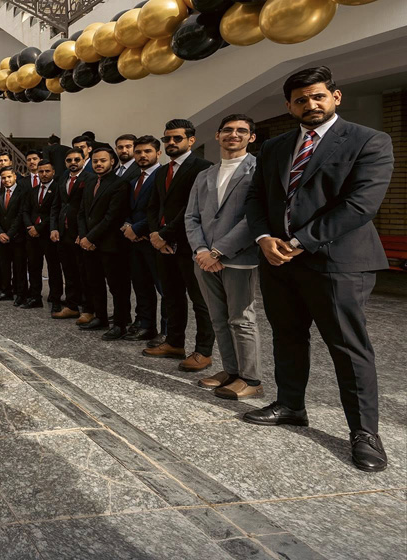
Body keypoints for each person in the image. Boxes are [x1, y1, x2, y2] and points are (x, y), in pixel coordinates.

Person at [242, 66, 394, 473]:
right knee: (288, 337)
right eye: (301, 100)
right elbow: (255, 198)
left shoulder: (368, 140)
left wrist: (298, 242)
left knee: (348, 347)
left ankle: (364, 433)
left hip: (337, 263)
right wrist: (264, 238)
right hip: (278, 262)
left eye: (318, 96)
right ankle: (291, 405)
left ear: (335, 97)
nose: (310, 104)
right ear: (289, 106)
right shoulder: (275, 147)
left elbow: (360, 205)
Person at [185, 114, 263, 400]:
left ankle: (251, 379)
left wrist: (219, 251)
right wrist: (201, 251)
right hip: (204, 259)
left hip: (238, 258)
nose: (234, 134)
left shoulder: (259, 170)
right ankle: (231, 372)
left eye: (242, 130)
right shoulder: (205, 174)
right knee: (218, 318)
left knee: (241, 319)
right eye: (227, 130)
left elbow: (254, 216)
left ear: (251, 137)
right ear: (217, 135)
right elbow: (191, 217)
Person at [142, 119, 214, 372]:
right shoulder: (163, 171)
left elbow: (193, 208)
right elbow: (153, 206)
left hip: (189, 244)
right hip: (163, 245)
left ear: (191, 140)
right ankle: (174, 343)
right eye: (167, 139)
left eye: (177, 138)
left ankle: (203, 351)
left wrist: (165, 234)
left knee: (200, 300)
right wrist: (155, 234)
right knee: (172, 296)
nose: (171, 142)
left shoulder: (203, 168)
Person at [77, 146, 131, 339]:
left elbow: (112, 217)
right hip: (89, 244)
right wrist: (84, 237)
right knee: (94, 282)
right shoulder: (90, 182)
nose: (98, 164)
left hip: (110, 244)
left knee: (117, 287)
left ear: (112, 162)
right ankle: (100, 317)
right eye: (95, 161)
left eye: (103, 160)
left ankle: (120, 324)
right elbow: (82, 213)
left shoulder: (120, 184)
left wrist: (90, 238)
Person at [119, 136, 165, 344]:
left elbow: (160, 209)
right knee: (141, 286)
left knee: (164, 289)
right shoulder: (134, 180)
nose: (142, 155)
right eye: (138, 152)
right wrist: (128, 226)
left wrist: (137, 229)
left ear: (158, 153)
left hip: (155, 240)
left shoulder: (162, 176)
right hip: (135, 242)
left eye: (147, 151)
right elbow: (130, 209)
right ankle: (146, 324)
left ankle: (167, 332)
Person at [49, 148, 90, 324]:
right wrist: (54, 228)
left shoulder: (89, 178)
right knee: (69, 271)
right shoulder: (63, 178)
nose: (73, 163)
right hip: (63, 233)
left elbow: (88, 209)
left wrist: (83, 233)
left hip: (80, 234)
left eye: (76, 159)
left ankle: (88, 309)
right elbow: (56, 206)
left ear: (83, 160)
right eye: (69, 160)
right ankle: (72, 306)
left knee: (84, 272)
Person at [22, 159, 61, 311]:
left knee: (53, 268)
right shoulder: (33, 191)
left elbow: (54, 212)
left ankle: (55, 298)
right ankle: (35, 297)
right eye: (41, 171)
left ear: (53, 172)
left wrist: (38, 228)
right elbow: (25, 210)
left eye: (47, 171)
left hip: (48, 234)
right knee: (33, 267)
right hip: (32, 235)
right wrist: (30, 227)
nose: (44, 174)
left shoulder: (58, 189)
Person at [0, 167, 29, 304]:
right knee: (4, 266)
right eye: (3, 178)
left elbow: (20, 215)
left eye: (9, 177)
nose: (6, 180)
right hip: (2, 237)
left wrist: (9, 234)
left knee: (19, 267)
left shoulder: (22, 193)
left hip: (17, 236)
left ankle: (21, 294)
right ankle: (6, 291)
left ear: (15, 177)